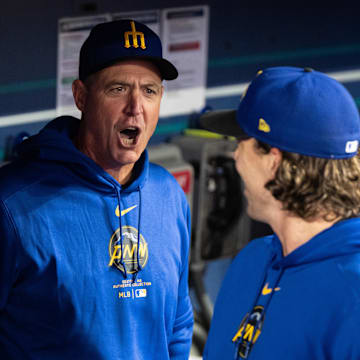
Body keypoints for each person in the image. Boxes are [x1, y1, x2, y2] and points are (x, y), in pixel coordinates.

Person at [0, 19, 193, 359]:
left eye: (149, 90)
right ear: (81, 96)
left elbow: (177, 326)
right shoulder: (12, 205)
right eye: (117, 89)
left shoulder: (169, 196)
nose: (136, 107)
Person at [199, 66, 360, 359]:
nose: (234, 157)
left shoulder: (353, 295)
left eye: (240, 144)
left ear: (273, 161)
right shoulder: (251, 260)